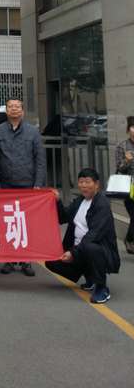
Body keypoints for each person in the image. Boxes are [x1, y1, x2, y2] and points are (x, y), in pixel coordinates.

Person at [46, 168, 121, 304]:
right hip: (79, 250)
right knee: (51, 261)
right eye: (81, 182)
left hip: (100, 252)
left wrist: (72, 253)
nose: (83, 185)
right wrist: (57, 201)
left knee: (90, 247)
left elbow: (94, 235)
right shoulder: (80, 201)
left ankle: (101, 287)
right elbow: (63, 218)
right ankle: (89, 276)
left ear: (96, 184)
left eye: (87, 182)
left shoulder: (102, 204)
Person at [0, 97, 45, 277]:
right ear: (6, 110)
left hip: (27, 185)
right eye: (10, 107)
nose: (14, 109)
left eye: (17, 107)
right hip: (5, 185)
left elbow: (40, 160)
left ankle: (25, 260)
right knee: (7, 223)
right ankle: (8, 259)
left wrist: (38, 184)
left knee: (25, 224)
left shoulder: (33, 132)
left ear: (22, 111)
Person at [115, 117, 134, 254]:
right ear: (128, 130)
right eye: (133, 127)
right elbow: (119, 168)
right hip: (130, 187)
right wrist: (127, 161)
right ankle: (129, 239)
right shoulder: (122, 146)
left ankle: (129, 239)